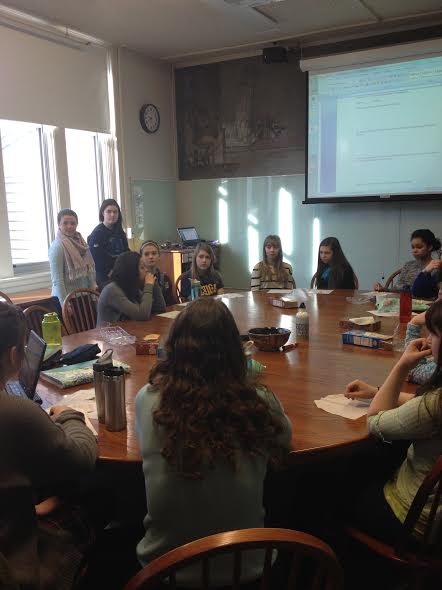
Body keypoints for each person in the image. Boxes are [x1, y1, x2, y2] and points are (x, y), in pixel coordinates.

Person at [135, 298, 292, 586]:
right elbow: (286, 438)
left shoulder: (148, 400)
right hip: (248, 572)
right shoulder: (258, 402)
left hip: (166, 572)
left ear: (175, 348)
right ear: (236, 350)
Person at [0, 301, 97, 589]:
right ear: (15, 354)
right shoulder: (16, 413)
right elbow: (83, 457)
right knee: (98, 496)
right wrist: (68, 414)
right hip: (16, 566)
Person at [344, 300, 442, 545]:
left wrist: (401, 366)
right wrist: (378, 391)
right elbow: (421, 402)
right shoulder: (433, 403)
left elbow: (375, 422)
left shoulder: (433, 406)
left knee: (335, 479)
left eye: (434, 334)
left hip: (413, 520)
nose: (428, 340)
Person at [97, 251, 166, 326]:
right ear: (131, 271)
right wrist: (148, 285)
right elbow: (143, 315)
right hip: (107, 335)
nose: (146, 270)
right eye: (142, 268)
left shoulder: (130, 285)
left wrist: (153, 284)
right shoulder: (112, 290)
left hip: (127, 331)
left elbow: (160, 308)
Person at [48, 209, 96, 305]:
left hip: (84, 296)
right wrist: (65, 304)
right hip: (67, 300)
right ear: (59, 224)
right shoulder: (57, 246)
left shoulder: (82, 243)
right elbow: (57, 280)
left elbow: (89, 272)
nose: (69, 226)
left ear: (77, 224)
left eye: (72, 223)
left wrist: (93, 295)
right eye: (65, 223)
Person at [374, 229, 442, 292]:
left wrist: (406, 288)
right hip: (404, 300)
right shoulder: (409, 265)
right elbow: (397, 288)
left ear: (429, 247)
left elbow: (430, 291)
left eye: (419, 247)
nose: (415, 250)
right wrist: (383, 289)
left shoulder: (436, 267)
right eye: (413, 247)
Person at [87, 198, 129, 290]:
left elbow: (126, 253)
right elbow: (96, 260)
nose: (112, 215)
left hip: (120, 273)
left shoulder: (120, 232)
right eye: (109, 211)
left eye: (115, 212)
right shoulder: (97, 233)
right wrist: (113, 272)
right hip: (105, 277)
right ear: (103, 213)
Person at [140, 240, 175, 305]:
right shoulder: (138, 278)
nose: (151, 257)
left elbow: (171, 303)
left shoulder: (165, 278)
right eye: (146, 254)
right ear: (141, 258)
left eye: (154, 253)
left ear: (159, 256)